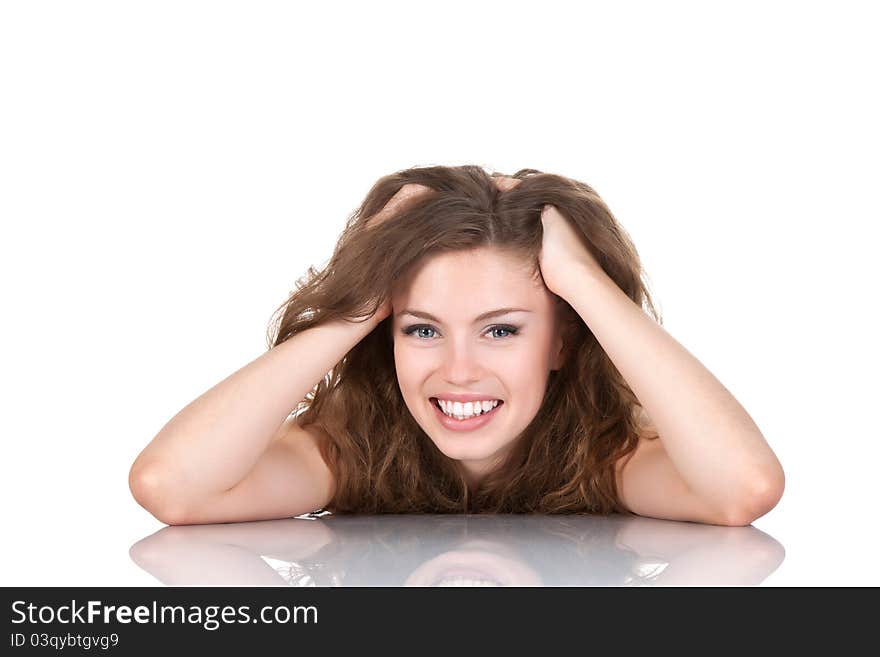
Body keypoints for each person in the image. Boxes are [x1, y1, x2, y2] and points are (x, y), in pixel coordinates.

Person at [129, 165, 785, 526]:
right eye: (421, 328)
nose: (459, 370)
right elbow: (168, 486)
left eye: (501, 329)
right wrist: (356, 301)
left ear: (562, 340)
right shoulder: (351, 450)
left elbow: (745, 488)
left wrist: (583, 282)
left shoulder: (603, 455)